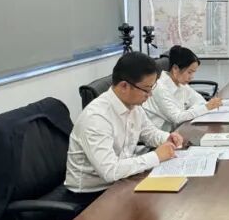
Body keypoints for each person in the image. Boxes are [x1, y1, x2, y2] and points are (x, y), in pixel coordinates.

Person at [64, 52, 184, 205]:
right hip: (90, 197)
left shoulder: (133, 106)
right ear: (124, 86)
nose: (150, 95)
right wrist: (156, 156)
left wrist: (166, 138)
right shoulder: (96, 118)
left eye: (152, 88)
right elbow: (110, 171)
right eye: (146, 89)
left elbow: (148, 132)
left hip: (121, 182)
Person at [143, 45, 223, 131]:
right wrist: (205, 108)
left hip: (175, 131)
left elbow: (200, 102)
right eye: (189, 72)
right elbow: (177, 118)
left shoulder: (181, 85)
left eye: (193, 72)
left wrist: (190, 112)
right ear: (175, 69)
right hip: (158, 135)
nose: (192, 77)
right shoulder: (160, 88)